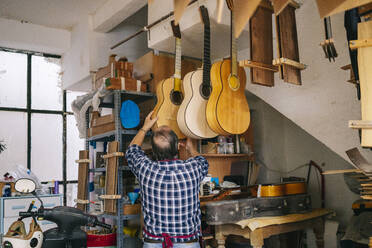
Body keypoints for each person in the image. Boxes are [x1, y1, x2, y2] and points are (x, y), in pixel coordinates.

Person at [125, 111, 209, 248]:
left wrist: (145, 127)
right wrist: (191, 149)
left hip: (154, 243)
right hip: (187, 243)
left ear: (153, 149)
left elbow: (132, 151)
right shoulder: (192, 169)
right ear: (177, 146)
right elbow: (202, 160)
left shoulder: (146, 170)